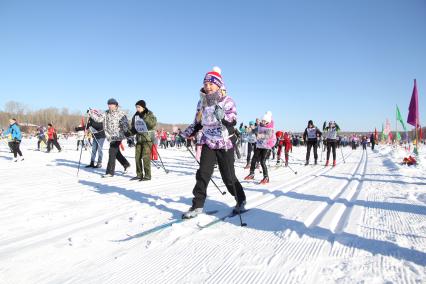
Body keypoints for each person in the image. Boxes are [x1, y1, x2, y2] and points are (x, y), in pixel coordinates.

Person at [180, 67, 246, 219]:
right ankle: (197, 205)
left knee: (228, 177)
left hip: (224, 142)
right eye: (205, 83)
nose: (208, 86)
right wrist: (185, 133)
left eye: (211, 83)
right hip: (209, 141)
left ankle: (240, 199)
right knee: (203, 173)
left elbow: (233, 120)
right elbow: (197, 123)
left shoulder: (227, 100)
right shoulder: (201, 102)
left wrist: (223, 117)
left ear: (218, 85)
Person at [88, 98, 131, 178]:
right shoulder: (106, 113)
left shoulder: (121, 113)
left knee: (111, 151)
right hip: (110, 136)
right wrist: (91, 114)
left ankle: (110, 172)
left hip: (118, 135)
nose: (109, 106)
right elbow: (99, 119)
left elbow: (125, 125)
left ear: (116, 105)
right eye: (108, 104)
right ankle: (126, 164)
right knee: (116, 152)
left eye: (111, 104)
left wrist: (129, 137)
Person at [244, 111, 276, 184]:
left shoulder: (270, 128)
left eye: (265, 121)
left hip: (267, 146)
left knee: (262, 161)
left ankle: (266, 177)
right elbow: (253, 130)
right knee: (254, 159)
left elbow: (269, 136)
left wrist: (261, 136)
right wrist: (249, 130)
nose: (263, 122)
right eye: (263, 120)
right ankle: (251, 173)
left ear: (268, 121)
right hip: (259, 145)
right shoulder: (260, 126)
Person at [129, 100, 157, 181]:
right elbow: (134, 128)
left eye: (139, 107)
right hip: (139, 139)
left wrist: (143, 117)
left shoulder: (149, 113)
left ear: (143, 107)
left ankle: (147, 175)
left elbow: (152, 124)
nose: (137, 109)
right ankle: (139, 174)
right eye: (136, 107)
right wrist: (129, 133)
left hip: (147, 139)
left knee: (145, 157)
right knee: (137, 157)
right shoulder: (135, 116)